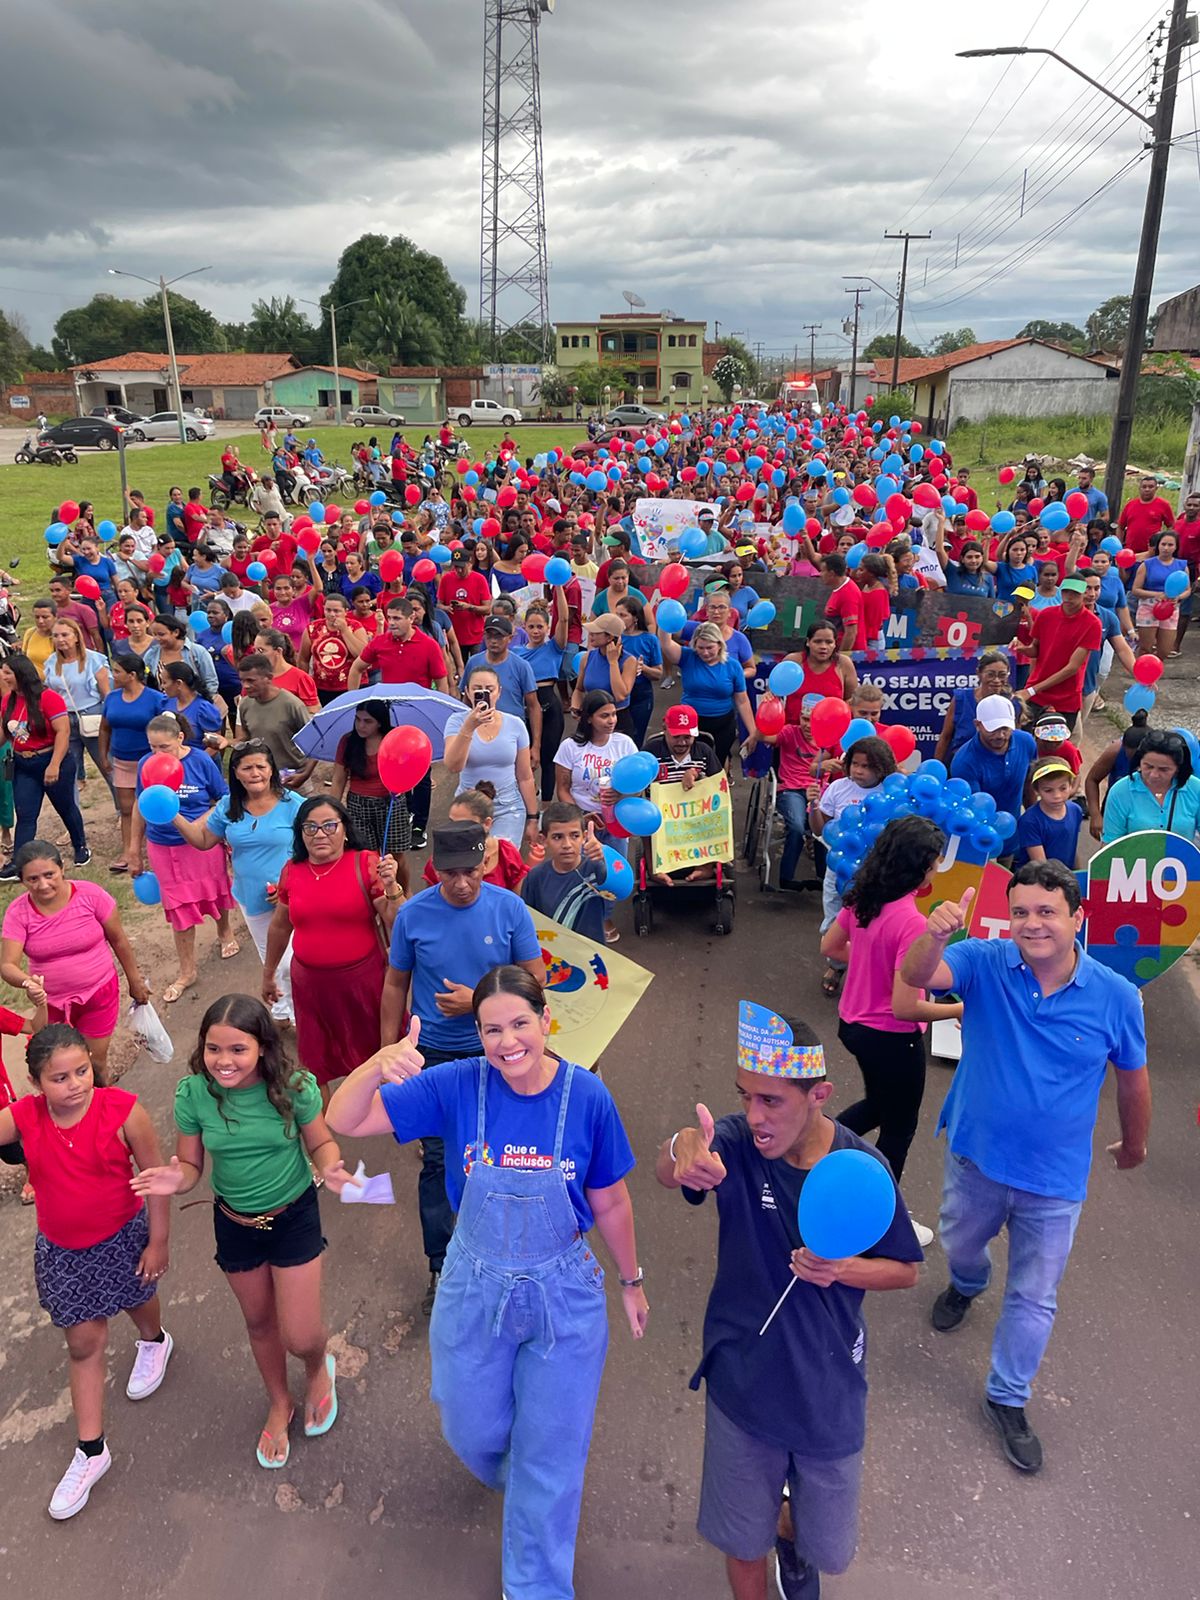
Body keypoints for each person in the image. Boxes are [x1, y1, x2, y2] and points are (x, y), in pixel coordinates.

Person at [327, 965, 646, 1599]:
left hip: (563, 1294)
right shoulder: (456, 1085)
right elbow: (345, 1119)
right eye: (492, 1029)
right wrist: (377, 1062)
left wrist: (631, 1281)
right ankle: (515, 1472)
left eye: (520, 1024)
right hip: (473, 1285)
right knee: (468, 1421)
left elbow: (610, 1202)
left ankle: (535, 1583)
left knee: (550, 1457)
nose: (507, 1043)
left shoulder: (587, 1098)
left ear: (545, 1019)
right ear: (477, 1033)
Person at [657, 1004, 921, 1600]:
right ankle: (766, 1532)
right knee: (740, 1544)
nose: (754, 1116)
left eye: (771, 1101)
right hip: (741, 1385)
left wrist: (842, 1269)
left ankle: (791, 1535)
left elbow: (905, 1271)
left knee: (826, 1548)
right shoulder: (735, 1148)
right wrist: (683, 1151)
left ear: (820, 1094)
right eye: (745, 1097)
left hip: (825, 1393)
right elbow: (675, 1156)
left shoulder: (862, 1170)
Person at [901, 860, 1149, 1474]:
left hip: (1055, 1181)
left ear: (1078, 917)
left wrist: (1136, 1143)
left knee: (1035, 1296)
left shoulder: (1117, 997)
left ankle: (1007, 1398)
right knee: (960, 1242)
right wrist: (935, 932)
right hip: (976, 1158)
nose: (1032, 924)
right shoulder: (984, 961)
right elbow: (918, 977)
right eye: (1020, 912)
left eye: (1046, 911)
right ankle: (966, 1283)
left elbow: (1133, 1080)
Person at [132, 994, 359, 1469]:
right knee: (258, 1323)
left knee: (300, 1335)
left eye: (238, 1049)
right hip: (235, 1225)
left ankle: (318, 1369)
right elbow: (192, 1165)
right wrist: (179, 1180)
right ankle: (280, 1401)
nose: (224, 1061)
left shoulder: (293, 1086)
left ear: (262, 1047)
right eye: (214, 1049)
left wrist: (332, 1167)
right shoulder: (194, 1093)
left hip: (294, 1216)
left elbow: (321, 1142)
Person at [0, 1024, 172, 1519]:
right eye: (59, 1078)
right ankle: (92, 1451)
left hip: (123, 1239)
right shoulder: (25, 1116)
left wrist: (158, 1241)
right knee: (83, 1343)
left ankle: (155, 1341)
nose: (74, 1084)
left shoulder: (124, 1112)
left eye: (81, 1072)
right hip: (64, 1252)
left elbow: (156, 1181)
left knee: (139, 1301)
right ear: (35, 1084)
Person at [378, 822, 544, 1312]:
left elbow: (535, 983)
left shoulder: (509, 908)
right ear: (434, 871)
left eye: (470, 871)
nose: (462, 883)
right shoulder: (412, 915)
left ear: (485, 865)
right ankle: (441, 1265)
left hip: (499, 1055)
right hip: (433, 1056)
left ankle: (508, 1255)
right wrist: (388, 1048)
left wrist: (478, 1003)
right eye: (450, 874)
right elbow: (394, 984)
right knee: (438, 1160)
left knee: (503, 1153)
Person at [821, 817, 963, 1244]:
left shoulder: (864, 898)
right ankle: (882, 1218)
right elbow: (905, 1006)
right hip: (891, 1037)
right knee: (899, 1130)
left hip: (853, 1024)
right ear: (920, 868)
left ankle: (816, 1148)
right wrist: (960, 1007)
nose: (937, 871)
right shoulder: (912, 922)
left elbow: (830, 947)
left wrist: (868, 964)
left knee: (880, 1106)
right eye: (935, 864)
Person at [263, 797, 402, 1102]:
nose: (320, 834)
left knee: (383, 1059)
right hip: (310, 987)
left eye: (329, 825)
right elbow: (279, 926)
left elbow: (397, 920)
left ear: (345, 830)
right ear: (300, 833)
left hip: (364, 984)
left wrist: (392, 887)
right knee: (316, 1064)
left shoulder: (365, 863)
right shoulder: (293, 870)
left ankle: (400, 1121)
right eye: (310, 827)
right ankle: (325, 1137)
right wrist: (268, 973)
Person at [169, 739, 303, 1024]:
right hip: (251, 899)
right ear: (236, 773)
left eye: (260, 767)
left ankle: (303, 1015)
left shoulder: (294, 805)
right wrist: (173, 815)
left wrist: (289, 885)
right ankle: (281, 1013)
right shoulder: (229, 807)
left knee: (294, 963)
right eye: (247, 768)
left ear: (271, 770)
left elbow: (314, 848)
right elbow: (204, 840)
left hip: (295, 899)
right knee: (274, 964)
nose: (255, 773)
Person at [1, 842, 150, 1082]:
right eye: (33, 879)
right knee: (56, 1066)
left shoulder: (90, 895)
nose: (43, 884)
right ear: (21, 881)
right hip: (50, 1005)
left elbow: (119, 940)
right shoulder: (18, 912)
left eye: (49, 874)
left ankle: (104, 1110)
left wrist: (135, 981)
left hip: (98, 994)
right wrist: (28, 983)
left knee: (94, 1062)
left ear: (62, 869)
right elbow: (7, 965)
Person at [129, 712, 238, 1003]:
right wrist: (132, 849)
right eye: (152, 747)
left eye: (163, 748)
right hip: (163, 846)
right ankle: (187, 970)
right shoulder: (145, 765)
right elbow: (141, 806)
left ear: (179, 738)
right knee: (178, 906)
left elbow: (223, 799)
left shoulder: (201, 761)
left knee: (216, 890)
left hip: (201, 843)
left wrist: (198, 824)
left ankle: (225, 931)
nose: (157, 754)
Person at [809, 735, 898, 999]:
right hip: (838, 871)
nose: (858, 770)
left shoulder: (890, 792)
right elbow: (818, 829)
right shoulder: (838, 789)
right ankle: (837, 967)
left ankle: (869, 975)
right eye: (855, 764)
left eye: (867, 766)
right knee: (833, 925)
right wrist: (813, 805)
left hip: (877, 875)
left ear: (882, 768)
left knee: (873, 928)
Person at [0, 651, 89, 876]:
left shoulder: (48, 698)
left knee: (65, 806)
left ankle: (80, 846)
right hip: (23, 764)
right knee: (26, 812)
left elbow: (63, 731)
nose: (3, 676)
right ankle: (19, 862)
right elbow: (3, 733)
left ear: (20, 674)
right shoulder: (7, 700)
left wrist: (55, 765)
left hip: (51, 759)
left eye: (7, 672)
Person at [443, 664, 539, 851]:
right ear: (467, 692)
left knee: (502, 863)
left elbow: (525, 776)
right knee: (470, 865)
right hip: (469, 807)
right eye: (477, 690)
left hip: (508, 805)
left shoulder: (515, 724)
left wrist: (533, 818)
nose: (483, 694)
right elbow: (453, 765)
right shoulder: (456, 721)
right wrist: (469, 727)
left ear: (499, 692)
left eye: (489, 689)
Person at [97, 654, 170, 874]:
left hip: (150, 762)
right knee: (127, 808)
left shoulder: (156, 699)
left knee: (155, 806)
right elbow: (104, 728)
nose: (113, 675)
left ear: (132, 675)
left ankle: (158, 849)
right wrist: (103, 755)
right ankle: (129, 852)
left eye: (117, 671)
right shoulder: (112, 698)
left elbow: (167, 729)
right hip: (122, 760)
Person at [657, 622, 757, 767]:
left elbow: (742, 701)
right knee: (690, 765)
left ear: (719, 645)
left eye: (710, 648)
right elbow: (666, 643)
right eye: (700, 648)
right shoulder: (687, 657)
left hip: (722, 724)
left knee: (715, 765)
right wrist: (664, 619)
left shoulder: (733, 666)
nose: (705, 653)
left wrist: (752, 732)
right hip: (690, 724)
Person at [330, 700, 415, 859]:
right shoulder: (348, 741)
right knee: (367, 856)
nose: (361, 725)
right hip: (358, 805)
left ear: (380, 723)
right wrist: (332, 811)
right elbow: (338, 780)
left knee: (395, 856)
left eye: (367, 721)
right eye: (357, 719)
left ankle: (403, 885)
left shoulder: (394, 739)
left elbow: (409, 770)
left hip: (391, 802)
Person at [1017, 578, 1101, 735]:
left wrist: (1032, 690)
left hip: (1065, 699)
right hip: (1036, 694)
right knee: (1028, 742)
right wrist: (1022, 649)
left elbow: (1072, 668)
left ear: (1083, 594)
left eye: (1074, 593)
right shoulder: (1046, 615)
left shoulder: (1093, 624)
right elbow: (1036, 649)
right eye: (1066, 592)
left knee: (1055, 748)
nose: (1068, 597)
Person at [522, 801, 609, 942]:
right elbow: (527, 921)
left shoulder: (597, 869)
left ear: (584, 837)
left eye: (574, 836)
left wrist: (606, 854)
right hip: (553, 957)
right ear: (543, 840)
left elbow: (624, 888)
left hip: (593, 957)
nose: (567, 845)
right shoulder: (535, 877)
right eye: (558, 837)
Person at [43, 617, 112, 795]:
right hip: (64, 718)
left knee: (107, 765)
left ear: (76, 636)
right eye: (56, 635)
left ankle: (123, 809)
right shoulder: (51, 662)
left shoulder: (94, 660)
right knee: (70, 770)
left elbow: (106, 693)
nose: (60, 639)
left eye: (65, 634)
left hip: (91, 714)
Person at [420, 783, 527, 893]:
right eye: (452, 822)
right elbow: (431, 899)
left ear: (487, 824)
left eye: (464, 824)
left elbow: (516, 899)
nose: (455, 830)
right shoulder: (439, 859)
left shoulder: (507, 854)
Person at [514, 596, 571, 802]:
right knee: (522, 759)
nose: (536, 631)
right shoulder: (516, 653)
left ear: (548, 627)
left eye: (540, 626)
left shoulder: (554, 647)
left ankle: (546, 808)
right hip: (525, 707)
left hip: (550, 706)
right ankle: (531, 794)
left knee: (548, 760)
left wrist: (558, 587)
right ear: (524, 627)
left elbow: (564, 619)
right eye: (532, 626)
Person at [1100, 728, 1200, 843]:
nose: (1154, 775)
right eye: (1148, 766)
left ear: (1178, 768)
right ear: (1139, 762)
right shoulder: (1120, 791)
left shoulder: (1196, 789)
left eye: (1164, 769)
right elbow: (1110, 844)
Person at [459, 615, 542, 753]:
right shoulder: (473, 662)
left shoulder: (521, 666)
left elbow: (533, 706)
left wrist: (536, 746)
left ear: (510, 638)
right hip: (479, 731)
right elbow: (466, 702)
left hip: (512, 733)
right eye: (489, 636)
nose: (493, 641)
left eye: (499, 637)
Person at [950, 695, 1037, 822]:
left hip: (1018, 833)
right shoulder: (963, 762)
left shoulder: (1027, 742)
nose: (1000, 735)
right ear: (977, 725)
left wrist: (1033, 822)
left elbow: (1029, 786)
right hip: (982, 835)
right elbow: (975, 813)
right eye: (993, 729)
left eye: (1005, 728)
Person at [234, 655, 316, 789]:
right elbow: (247, 738)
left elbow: (315, 742)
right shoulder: (245, 704)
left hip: (292, 778)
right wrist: (227, 743)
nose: (245, 686)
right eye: (242, 680)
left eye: (251, 680)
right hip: (262, 779)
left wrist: (306, 774)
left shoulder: (292, 705)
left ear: (269, 678)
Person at [932, 653, 1013, 765]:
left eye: (1002, 675)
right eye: (990, 674)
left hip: (995, 767)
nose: (996, 680)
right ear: (979, 673)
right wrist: (936, 769)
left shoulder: (1011, 703)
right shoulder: (961, 698)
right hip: (961, 766)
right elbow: (946, 736)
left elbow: (1014, 742)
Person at [1011, 759, 1085, 870]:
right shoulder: (1029, 821)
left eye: (1063, 788)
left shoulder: (1076, 810)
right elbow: (1041, 865)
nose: (1057, 796)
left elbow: (1072, 848)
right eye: (1048, 790)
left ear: (1071, 786)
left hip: (1065, 877)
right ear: (1037, 790)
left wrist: (1079, 876)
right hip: (1036, 879)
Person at [781, 622, 858, 724]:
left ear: (835, 643)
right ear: (808, 642)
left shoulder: (843, 663)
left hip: (830, 730)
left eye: (829, 642)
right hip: (793, 732)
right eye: (818, 641)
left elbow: (852, 700)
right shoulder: (793, 661)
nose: (823, 646)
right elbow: (773, 693)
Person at [298, 591, 366, 705]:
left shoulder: (355, 627)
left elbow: (362, 655)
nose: (332, 614)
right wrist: (304, 686)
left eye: (337, 611)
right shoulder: (313, 628)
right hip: (321, 688)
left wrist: (344, 631)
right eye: (328, 610)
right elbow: (303, 659)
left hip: (351, 686)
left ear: (345, 611)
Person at [1130, 529, 1189, 661]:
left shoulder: (1182, 566)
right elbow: (1136, 589)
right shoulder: (1147, 564)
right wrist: (1157, 594)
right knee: (1146, 647)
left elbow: (1187, 589)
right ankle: (1142, 673)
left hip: (1171, 608)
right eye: (1163, 544)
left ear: (1176, 547)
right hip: (1148, 606)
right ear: (1158, 546)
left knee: (1165, 649)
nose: (1166, 548)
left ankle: (1154, 670)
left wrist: (1178, 597)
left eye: (1170, 545)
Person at [437, 548, 492, 656]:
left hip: (476, 635)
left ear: (469, 563)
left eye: (462, 567)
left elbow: (487, 609)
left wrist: (469, 607)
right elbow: (439, 604)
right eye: (456, 567)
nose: (459, 570)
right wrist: (447, 608)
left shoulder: (479, 579)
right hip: (455, 634)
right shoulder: (446, 579)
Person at [1117, 474, 1175, 556]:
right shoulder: (1130, 505)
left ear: (1156, 488)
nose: (1147, 489)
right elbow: (1120, 527)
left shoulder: (1163, 505)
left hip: (1152, 552)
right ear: (1139, 488)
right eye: (1144, 487)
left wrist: (1164, 542)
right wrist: (1119, 546)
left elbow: (1171, 526)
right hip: (1130, 551)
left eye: (1150, 487)